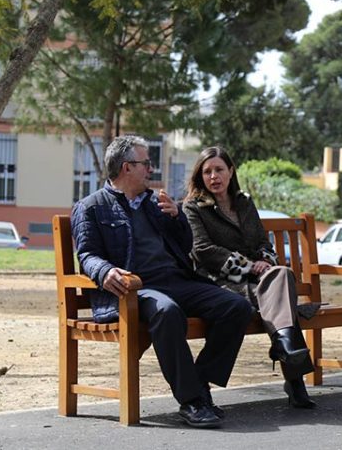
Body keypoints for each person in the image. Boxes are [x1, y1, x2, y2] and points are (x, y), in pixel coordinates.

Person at [71, 135, 253, 428]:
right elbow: (88, 254)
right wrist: (105, 272)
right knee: (167, 312)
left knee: (237, 307)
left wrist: (177, 218)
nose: (151, 169)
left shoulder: (157, 203)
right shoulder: (91, 207)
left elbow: (185, 248)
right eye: (146, 163)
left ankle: (197, 383)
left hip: (177, 281)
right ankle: (192, 401)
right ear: (127, 167)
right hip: (134, 290)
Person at [182, 147, 316, 409]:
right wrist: (250, 267)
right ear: (200, 177)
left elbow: (262, 243)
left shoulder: (243, 202)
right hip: (217, 283)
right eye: (207, 172)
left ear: (231, 172)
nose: (214, 176)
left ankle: (285, 350)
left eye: (219, 170)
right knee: (281, 300)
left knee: (281, 275)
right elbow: (202, 250)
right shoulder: (193, 207)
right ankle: (294, 377)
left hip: (258, 282)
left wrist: (265, 261)